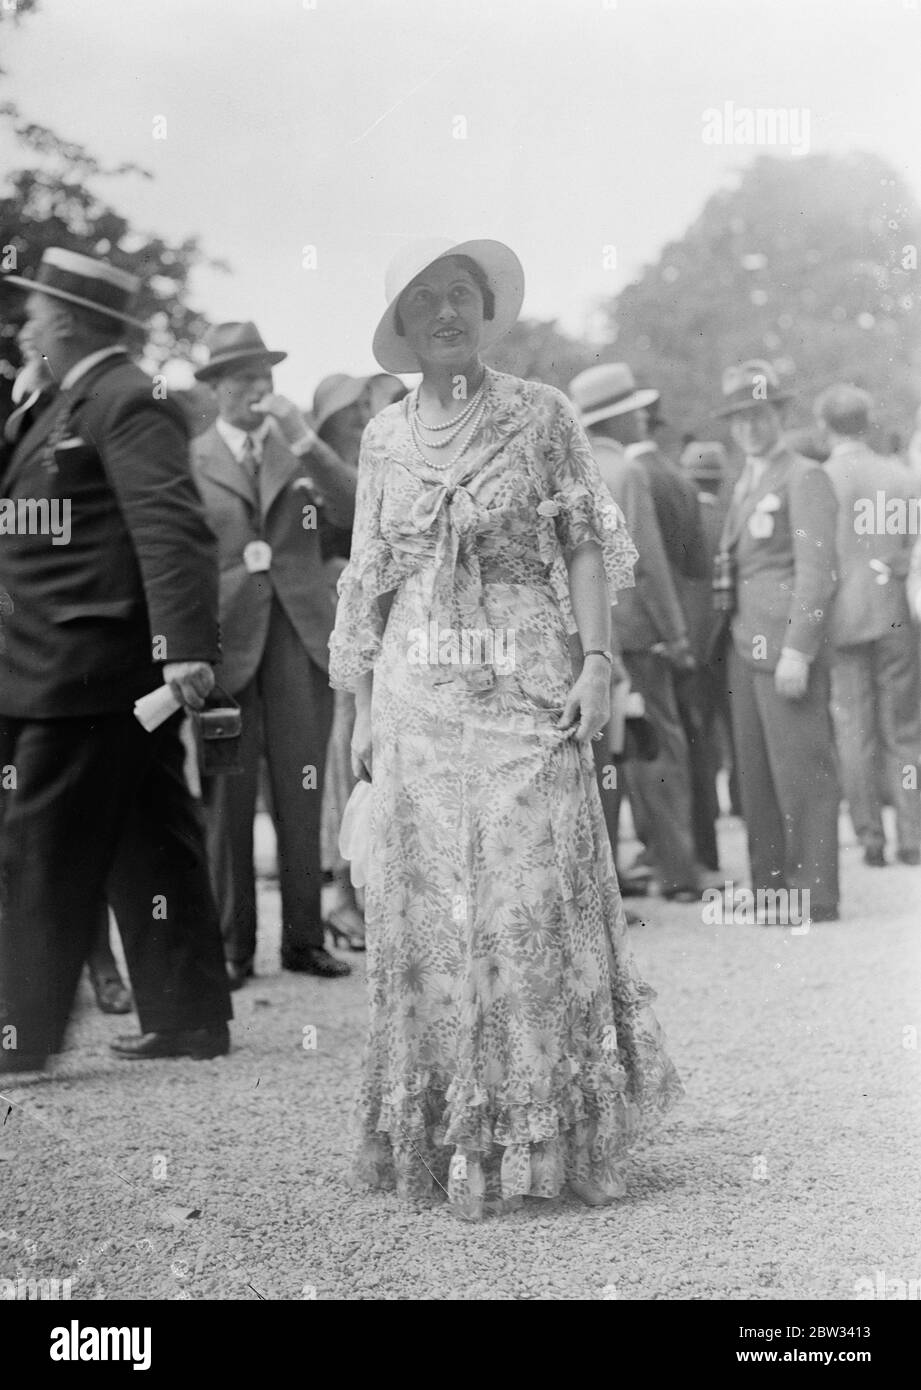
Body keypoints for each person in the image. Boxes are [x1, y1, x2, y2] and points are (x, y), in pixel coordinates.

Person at [330, 237, 682, 1220]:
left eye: (462, 296)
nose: (447, 312)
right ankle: (451, 1135)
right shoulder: (382, 438)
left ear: (484, 311)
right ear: (403, 322)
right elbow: (368, 575)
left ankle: (552, 1134)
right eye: (427, 299)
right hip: (418, 693)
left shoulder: (543, 414)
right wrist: (360, 713)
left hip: (526, 680)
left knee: (534, 898)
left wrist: (599, 662)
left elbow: (580, 540)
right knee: (437, 913)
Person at [0, 247, 232, 1070]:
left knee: (41, 851)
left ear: (63, 319)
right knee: (151, 838)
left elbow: (169, 526)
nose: (24, 323)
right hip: (68, 660)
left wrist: (183, 651)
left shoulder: (129, 398)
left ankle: (16, 1037)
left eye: (33, 312)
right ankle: (190, 1014)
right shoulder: (68, 398)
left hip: (89, 666)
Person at [191, 322, 358, 986]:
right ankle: (233, 947)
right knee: (226, 801)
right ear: (215, 389)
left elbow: (356, 506)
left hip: (297, 639)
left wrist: (304, 440)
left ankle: (303, 939)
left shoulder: (299, 450)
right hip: (222, 644)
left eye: (264, 376)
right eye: (241, 378)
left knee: (302, 792)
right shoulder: (191, 457)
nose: (256, 389)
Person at [568, 364, 701, 901]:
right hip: (639, 634)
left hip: (590, 637)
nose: (644, 417)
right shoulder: (629, 471)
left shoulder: (573, 470)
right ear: (621, 416)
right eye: (637, 410)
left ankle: (609, 873)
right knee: (660, 750)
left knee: (605, 758)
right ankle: (679, 873)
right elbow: (647, 564)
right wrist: (677, 633)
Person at [714, 359, 839, 923]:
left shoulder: (803, 474)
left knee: (801, 770)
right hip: (745, 643)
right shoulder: (748, 478)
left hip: (781, 647)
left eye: (758, 415)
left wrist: (798, 649)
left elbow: (817, 572)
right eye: (739, 418)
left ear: (779, 414)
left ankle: (813, 892)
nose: (749, 427)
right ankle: (769, 886)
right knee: (756, 775)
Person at [314, 372, 407, 951]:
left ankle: (376, 895)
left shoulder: (388, 459)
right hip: (341, 630)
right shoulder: (317, 469)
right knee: (348, 749)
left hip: (390, 625)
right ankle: (345, 897)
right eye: (350, 413)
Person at [816, 384, 921, 867]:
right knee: (903, 729)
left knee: (853, 729)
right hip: (895, 607)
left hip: (842, 615)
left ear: (825, 426)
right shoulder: (899, 475)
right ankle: (912, 833)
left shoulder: (819, 478)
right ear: (868, 420)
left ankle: (869, 836)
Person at [677, 441, 732, 870]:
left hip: (692, 645)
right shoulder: (729, 516)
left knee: (698, 743)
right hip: (729, 643)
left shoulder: (684, 520)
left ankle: (706, 846)